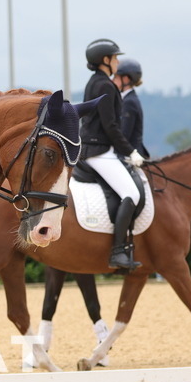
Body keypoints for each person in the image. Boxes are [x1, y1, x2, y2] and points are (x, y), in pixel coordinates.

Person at [79, 38, 146, 270]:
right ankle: (118, 252)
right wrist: (131, 152)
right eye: (115, 58)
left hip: (94, 147)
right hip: (98, 150)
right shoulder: (106, 86)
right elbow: (111, 126)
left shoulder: (95, 82)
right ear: (105, 60)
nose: (118, 62)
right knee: (131, 193)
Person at [114, 57, 148, 158]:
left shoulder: (129, 102)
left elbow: (124, 134)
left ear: (126, 79)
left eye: (116, 77)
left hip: (131, 156)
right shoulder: (126, 99)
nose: (113, 80)